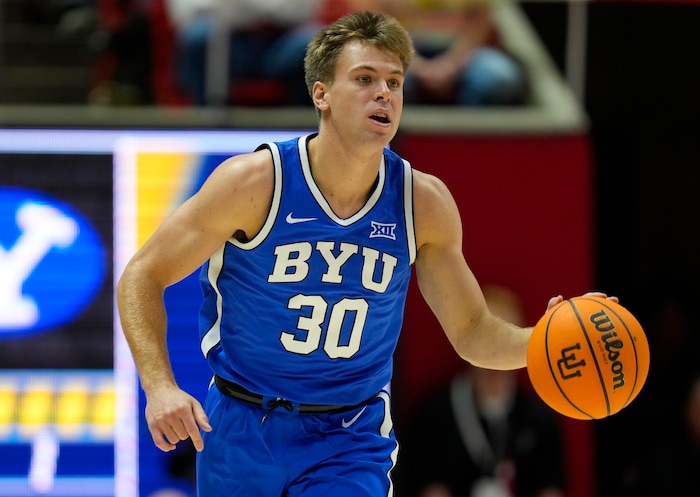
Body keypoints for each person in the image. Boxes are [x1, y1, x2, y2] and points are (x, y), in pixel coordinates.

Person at [117, 11, 614, 496]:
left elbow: (472, 332)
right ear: (321, 94)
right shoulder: (254, 183)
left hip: (350, 434)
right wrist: (159, 385)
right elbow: (142, 275)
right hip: (243, 423)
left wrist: (544, 341)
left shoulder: (423, 202)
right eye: (365, 78)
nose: (384, 93)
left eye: (395, 82)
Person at [396, 286, 566, 497]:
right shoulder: (436, 413)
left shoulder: (539, 417)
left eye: (507, 340)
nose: (497, 351)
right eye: (490, 340)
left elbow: (550, 490)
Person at [351, 0, 529, 106]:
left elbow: (481, 20)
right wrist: (415, 64)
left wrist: (452, 64)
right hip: (398, 50)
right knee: (381, 83)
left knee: (500, 78)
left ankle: (467, 142)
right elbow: (373, 18)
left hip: (460, 50)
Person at [165, 0, 323, 105]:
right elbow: (185, 12)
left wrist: (237, 8)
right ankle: (204, 123)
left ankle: (303, 134)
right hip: (226, 41)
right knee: (199, 37)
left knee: (315, 42)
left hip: (279, 41)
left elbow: (302, 10)